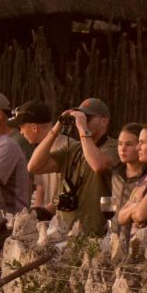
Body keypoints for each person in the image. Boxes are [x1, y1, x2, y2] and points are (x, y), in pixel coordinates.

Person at [30, 98, 124, 235]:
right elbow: (34, 166)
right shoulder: (73, 148)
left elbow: (98, 165)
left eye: (88, 118)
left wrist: (82, 128)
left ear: (104, 121)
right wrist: (56, 129)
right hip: (63, 231)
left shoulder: (114, 147)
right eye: (81, 117)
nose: (82, 121)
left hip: (94, 233)